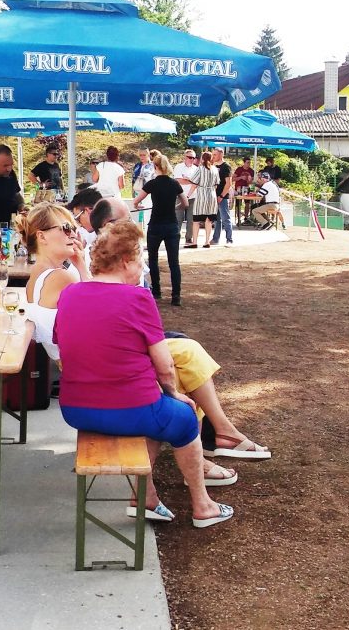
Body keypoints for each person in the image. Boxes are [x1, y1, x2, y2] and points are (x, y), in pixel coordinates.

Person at [53, 220, 235, 526]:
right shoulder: (138, 297)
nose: (143, 268)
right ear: (126, 261)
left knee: (157, 415)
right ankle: (203, 506)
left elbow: (65, 349)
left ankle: (146, 498)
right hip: (128, 408)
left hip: (75, 409)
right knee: (183, 416)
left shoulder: (70, 294)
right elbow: (165, 366)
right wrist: (174, 393)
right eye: (141, 260)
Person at [132, 153, 188, 306]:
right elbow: (185, 203)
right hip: (171, 225)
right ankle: (176, 295)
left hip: (156, 224)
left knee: (153, 259)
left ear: (155, 166)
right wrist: (176, 206)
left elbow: (136, 201)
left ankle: (156, 291)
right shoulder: (174, 183)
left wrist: (138, 206)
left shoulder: (152, 184)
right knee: (174, 262)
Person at [186, 151, 219, 248]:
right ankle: (207, 241)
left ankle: (194, 242)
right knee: (209, 220)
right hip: (212, 195)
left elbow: (194, 184)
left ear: (202, 159)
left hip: (201, 195)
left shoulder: (200, 169)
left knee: (196, 220)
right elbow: (216, 184)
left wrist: (188, 196)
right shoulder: (215, 169)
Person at [173, 150, 199, 244]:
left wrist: (187, 179)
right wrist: (191, 181)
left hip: (193, 196)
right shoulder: (178, 167)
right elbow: (178, 180)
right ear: (185, 157)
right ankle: (176, 237)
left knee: (191, 219)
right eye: (189, 157)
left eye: (193, 158)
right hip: (180, 196)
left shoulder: (196, 169)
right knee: (178, 218)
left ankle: (189, 237)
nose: (191, 159)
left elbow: (197, 183)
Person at [210, 147, 234, 246]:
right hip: (214, 195)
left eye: (215, 154)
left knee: (225, 219)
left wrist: (221, 196)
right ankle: (215, 239)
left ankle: (229, 239)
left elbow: (228, 183)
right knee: (216, 219)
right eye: (213, 154)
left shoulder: (226, 166)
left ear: (221, 154)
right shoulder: (213, 166)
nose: (213, 156)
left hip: (222, 196)